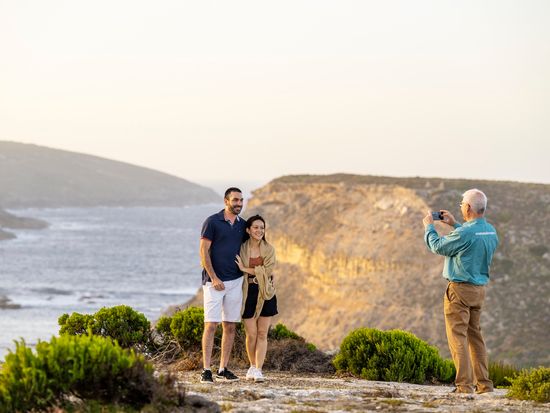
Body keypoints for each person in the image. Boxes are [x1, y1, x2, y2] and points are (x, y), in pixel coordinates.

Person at [423, 188, 499, 394]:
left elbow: (438, 246)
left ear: (467, 207)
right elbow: (469, 241)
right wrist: (454, 224)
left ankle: (464, 386)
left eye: (461, 205)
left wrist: (429, 227)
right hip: (479, 290)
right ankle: (484, 384)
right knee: (476, 338)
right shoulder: (491, 231)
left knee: (457, 337)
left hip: (460, 291)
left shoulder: (466, 232)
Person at [199, 187, 247, 383]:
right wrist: (214, 278)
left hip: (236, 281)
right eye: (235, 200)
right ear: (226, 201)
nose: (239, 204)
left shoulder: (243, 225)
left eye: (241, 200)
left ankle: (223, 369)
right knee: (211, 325)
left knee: (230, 326)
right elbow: (203, 252)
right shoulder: (212, 222)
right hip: (213, 283)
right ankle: (206, 370)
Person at [235, 214, 277, 383]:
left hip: (265, 292)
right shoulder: (241, 248)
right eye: (256, 227)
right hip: (247, 292)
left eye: (262, 227)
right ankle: (252, 366)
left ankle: (258, 369)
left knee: (262, 333)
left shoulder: (269, 249)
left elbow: (267, 272)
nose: (259, 230)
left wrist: (245, 268)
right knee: (251, 334)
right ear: (248, 230)